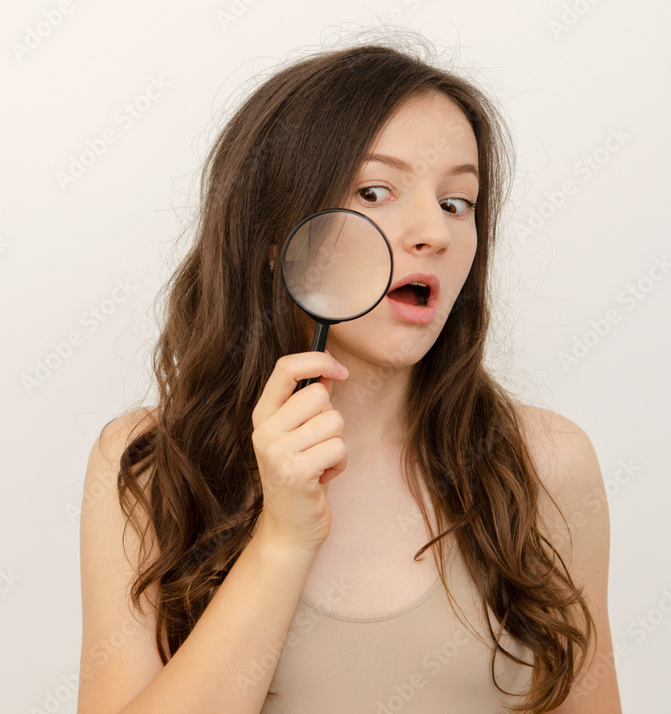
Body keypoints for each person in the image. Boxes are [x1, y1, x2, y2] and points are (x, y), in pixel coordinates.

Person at [76, 34, 622, 714]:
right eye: (375, 191)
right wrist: (282, 540)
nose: (435, 232)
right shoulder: (151, 464)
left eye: (458, 202)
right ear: (275, 236)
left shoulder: (546, 464)